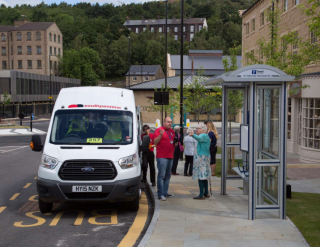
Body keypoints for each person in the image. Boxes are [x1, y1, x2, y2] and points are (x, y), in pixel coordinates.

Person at [154, 117, 177, 201]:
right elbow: (155, 142)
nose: (170, 123)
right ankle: (160, 194)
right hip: (162, 157)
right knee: (161, 175)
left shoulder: (172, 131)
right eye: (168, 122)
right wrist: (160, 135)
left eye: (171, 122)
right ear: (164, 122)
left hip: (170, 156)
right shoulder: (159, 130)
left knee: (168, 176)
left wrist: (175, 144)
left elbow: (172, 141)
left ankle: (165, 192)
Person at [190, 124, 211, 200]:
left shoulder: (203, 136)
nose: (196, 129)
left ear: (203, 129)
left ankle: (201, 194)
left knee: (201, 176)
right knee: (204, 176)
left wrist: (193, 135)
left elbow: (199, 138)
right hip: (204, 158)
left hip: (202, 158)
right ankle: (206, 192)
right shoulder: (205, 136)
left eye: (198, 128)